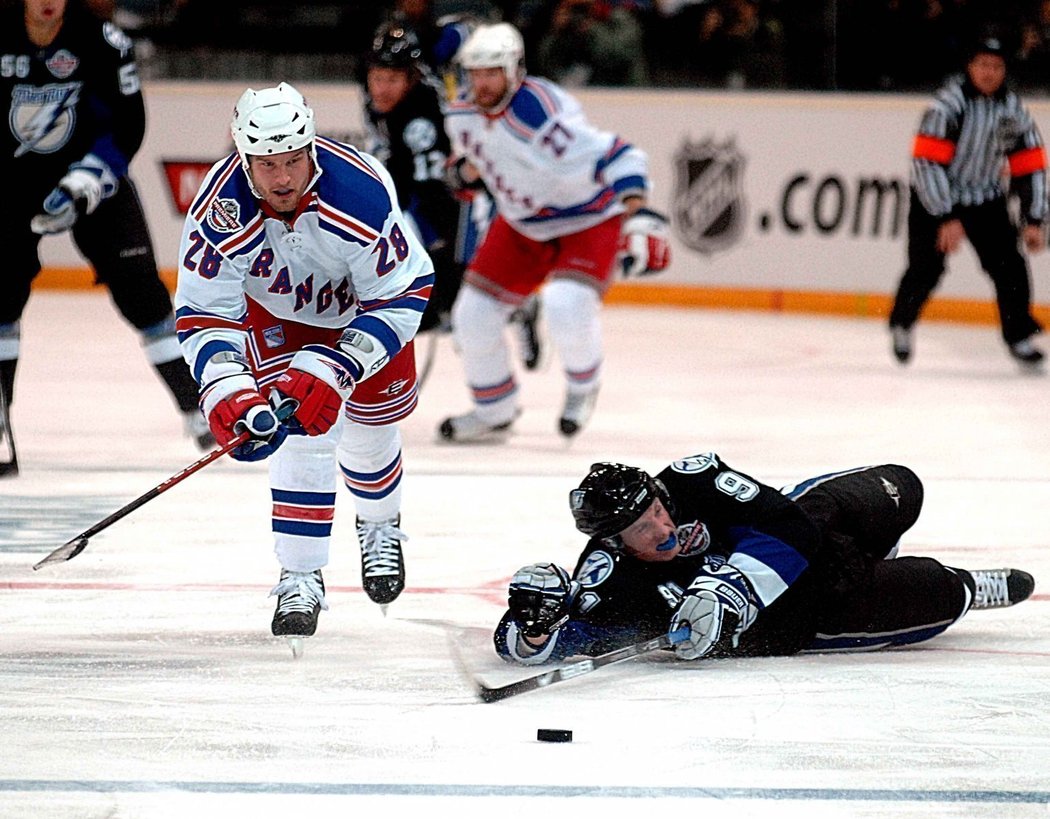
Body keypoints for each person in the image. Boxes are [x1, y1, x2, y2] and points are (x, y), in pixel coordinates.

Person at [173, 83, 434, 644]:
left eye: (293, 159)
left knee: (369, 430)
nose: (283, 177)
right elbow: (203, 309)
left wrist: (340, 366)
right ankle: (299, 572)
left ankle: (379, 523)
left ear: (312, 147)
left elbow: (403, 292)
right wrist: (226, 387)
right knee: (298, 436)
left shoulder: (358, 196)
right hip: (280, 319)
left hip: (367, 315)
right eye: (267, 164)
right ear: (243, 158)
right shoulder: (218, 211)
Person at [494, 453, 1035, 664]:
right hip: (809, 611)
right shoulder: (611, 576)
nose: (662, 525)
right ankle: (962, 585)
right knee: (939, 590)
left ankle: (872, 549)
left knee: (902, 488)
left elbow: (786, 521)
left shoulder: (689, 479)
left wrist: (731, 588)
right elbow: (557, 639)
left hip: (810, 529)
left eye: (658, 509)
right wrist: (532, 628)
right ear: (615, 541)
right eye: (643, 528)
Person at [0, 0, 213, 477]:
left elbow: (127, 122)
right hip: (10, 185)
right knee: (0, 300)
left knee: (143, 291)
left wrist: (89, 179)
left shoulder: (103, 42)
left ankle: (198, 409)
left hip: (91, 182)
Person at [438, 22, 670, 443]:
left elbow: (619, 156)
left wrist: (637, 214)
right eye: (475, 73)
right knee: (471, 317)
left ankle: (583, 387)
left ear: (514, 70)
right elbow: (475, 156)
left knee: (567, 305)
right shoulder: (461, 113)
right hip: (521, 223)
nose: (482, 83)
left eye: (492, 72)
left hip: (587, 219)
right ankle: (495, 409)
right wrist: (463, 172)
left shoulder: (540, 114)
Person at [888, 36, 1047, 369]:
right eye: (983, 65)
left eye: (997, 67)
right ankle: (902, 321)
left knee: (1010, 268)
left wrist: (1034, 219)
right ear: (969, 67)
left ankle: (1018, 334)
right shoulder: (946, 106)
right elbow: (926, 165)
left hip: (985, 199)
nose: (990, 73)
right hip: (935, 198)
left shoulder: (1012, 111)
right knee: (926, 269)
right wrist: (945, 215)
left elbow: (1030, 164)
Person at [363, 19, 464, 334]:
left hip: (450, 196)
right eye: (376, 77)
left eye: (391, 78)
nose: (381, 88)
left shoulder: (423, 111)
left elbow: (428, 189)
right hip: (425, 192)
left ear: (411, 77)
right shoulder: (381, 106)